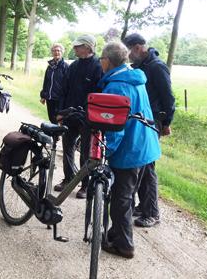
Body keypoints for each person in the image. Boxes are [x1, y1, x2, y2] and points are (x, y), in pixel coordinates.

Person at [97, 41, 161, 258]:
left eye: (101, 59)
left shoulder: (115, 86)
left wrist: (106, 152)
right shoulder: (136, 78)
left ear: (108, 61)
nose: (100, 63)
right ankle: (116, 234)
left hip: (130, 150)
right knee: (128, 193)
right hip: (146, 145)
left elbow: (115, 129)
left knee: (120, 199)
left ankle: (124, 245)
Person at [123, 32, 175, 228]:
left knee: (147, 168)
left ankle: (152, 213)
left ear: (137, 47)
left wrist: (166, 123)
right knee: (140, 164)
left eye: (128, 50)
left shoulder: (157, 67)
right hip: (141, 120)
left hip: (153, 122)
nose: (128, 55)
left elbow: (168, 98)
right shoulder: (141, 66)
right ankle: (142, 206)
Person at [54, 34, 103, 199]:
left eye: (78, 46)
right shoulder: (73, 66)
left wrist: (91, 114)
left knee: (85, 152)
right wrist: (61, 112)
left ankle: (85, 185)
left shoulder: (98, 67)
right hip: (70, 115)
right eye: (75, 46)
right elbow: (64, 90)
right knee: (67, 147)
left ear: (88, 47)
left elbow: (99, 94)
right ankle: (68, 179)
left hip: (88, 118)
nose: (74, 48)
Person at [40, 43, 69, 124]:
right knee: (52, 119)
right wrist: (43, 96)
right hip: (50, 98)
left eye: (58, 51)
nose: (56, 52)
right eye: (54, 51)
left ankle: (61, 136)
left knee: (60, 120)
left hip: (60, 99)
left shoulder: (65, 66)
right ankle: (55, 136)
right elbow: (46, 82)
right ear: (52, 53)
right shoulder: (50, 66)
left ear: (62, 52)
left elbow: (68, 85)